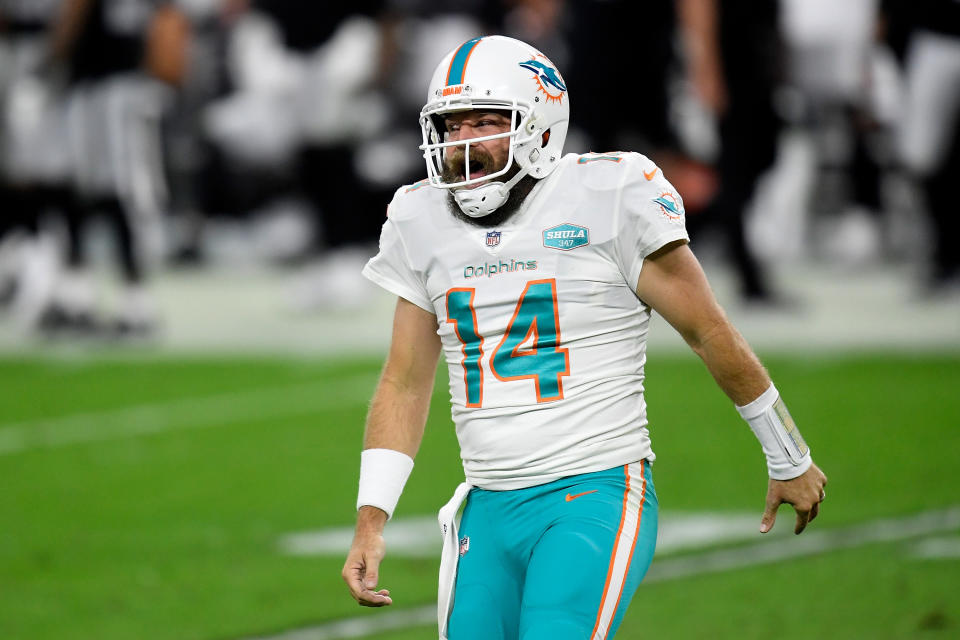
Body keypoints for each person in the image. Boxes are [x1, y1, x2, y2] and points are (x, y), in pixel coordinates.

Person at [342, 35, 828, 640]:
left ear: (540, 130)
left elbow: (708, 330)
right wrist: (371, 520)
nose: (463, 143)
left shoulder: (608, 195)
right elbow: (405, 380)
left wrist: (787, 453)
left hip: (592, 489)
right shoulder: (421, 219)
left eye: (487, 122)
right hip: (487, 508)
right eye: (451, 125)